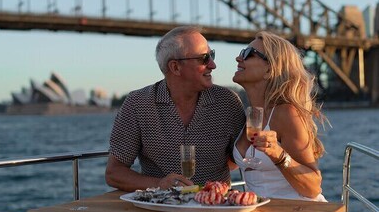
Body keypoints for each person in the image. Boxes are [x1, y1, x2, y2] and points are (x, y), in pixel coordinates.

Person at [106, 26, 246, 192]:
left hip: (213, 210)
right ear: (175, 67)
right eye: (204, 58)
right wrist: (160, 184)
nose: (213, 64)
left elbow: (237, 160)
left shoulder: (227, 102)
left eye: (212, 55)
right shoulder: (138, 104)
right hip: (159, 211)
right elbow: (114, 173)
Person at [232, 31, 329, 202]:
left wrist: (278, 153)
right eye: (241, 53)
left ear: (270, 68)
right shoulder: (250, 115)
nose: (238, 59)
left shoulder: (286, 113)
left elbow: (313, 187)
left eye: (247, 54)